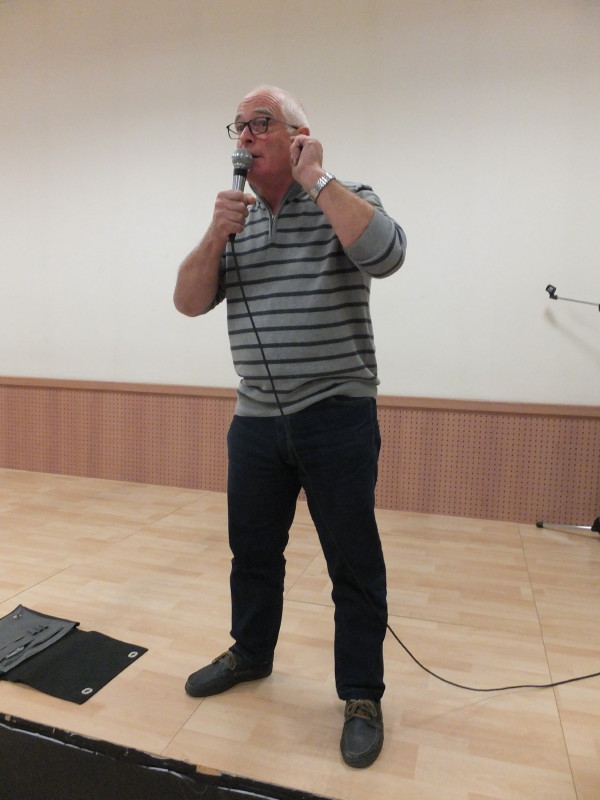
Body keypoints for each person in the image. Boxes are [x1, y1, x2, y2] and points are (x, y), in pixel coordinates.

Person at [173, 85, 406, 769]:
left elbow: (388, 255)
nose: (245, 136)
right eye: (238, 127)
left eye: (260, 123)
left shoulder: (345, 196)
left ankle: (361, 694)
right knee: (251, 552)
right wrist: (214, 233)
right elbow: (187, 302)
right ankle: (250, 652)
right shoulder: (236, 221)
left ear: (299, 136)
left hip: (337, 414)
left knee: (351, 563)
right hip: (255, 420)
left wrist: (319, 181)